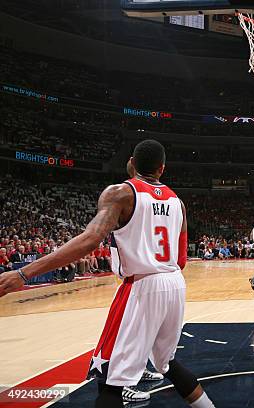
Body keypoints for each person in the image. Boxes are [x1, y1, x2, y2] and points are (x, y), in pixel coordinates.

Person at [0, 140, 215, 408]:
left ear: (132, 163)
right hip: (174, 284)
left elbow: (90, 239)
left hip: (141, 285)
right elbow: (181, 260)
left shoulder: (120, 193)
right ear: (162, 169)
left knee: (110, 381)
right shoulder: (178, 202)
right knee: (167, 363)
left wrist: (22, 274)